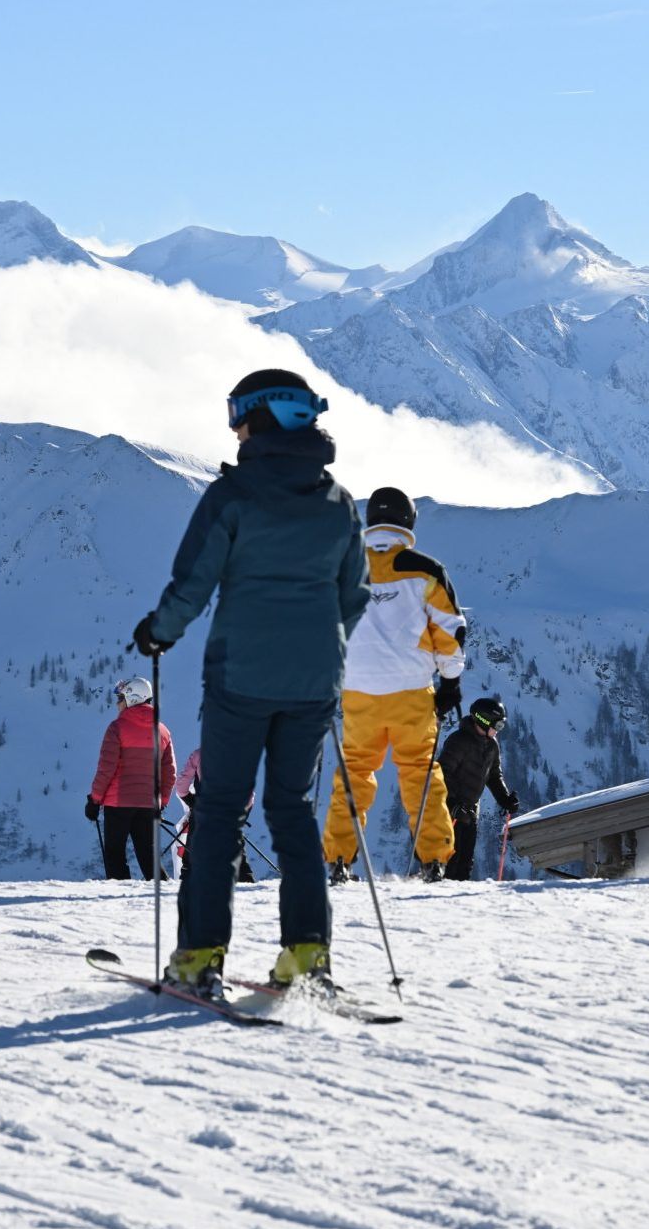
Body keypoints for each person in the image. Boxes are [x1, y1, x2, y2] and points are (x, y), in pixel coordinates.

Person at [132, 368, 369, 997]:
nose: (233, 426)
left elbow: (193, 584)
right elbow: (354, 596)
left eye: (237, 412)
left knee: (217, 813)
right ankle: (306, 956)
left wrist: (158, 631)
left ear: (263, 417)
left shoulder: (232, 497)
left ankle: (200, 955)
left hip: (241, 679)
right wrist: (321, 646)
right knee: (291, 812)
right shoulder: (339, 502)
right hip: (315, 682)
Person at [321, 487, 465, 884]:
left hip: (358, 691)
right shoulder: (425, 569)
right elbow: (450, 629)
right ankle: (434, 859)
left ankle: (338, 860)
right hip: (411, 691)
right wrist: (451, 681)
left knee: (353, 773)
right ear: (408, 522)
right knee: (420, 773)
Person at [86, 677, 176, 880]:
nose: (117, 703)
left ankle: (120, 901)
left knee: (115, 854)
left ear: (132, 699)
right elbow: (169, 771)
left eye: (120, 698)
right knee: (148, 855)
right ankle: (163, 894)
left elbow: (106, 769)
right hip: (148, 803)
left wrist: (94, 800)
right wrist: (162, 802)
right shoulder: (162, 731)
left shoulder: (117, 728)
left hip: (118, 803)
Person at [440, 697, 519, 880]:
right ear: (484, 721)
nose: (499, 731)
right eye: (497, 726)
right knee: (449, 859)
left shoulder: (491, 745)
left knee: (465, 861)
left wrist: (505, 799)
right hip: (448, 810)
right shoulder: (459, 741)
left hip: (470, 810)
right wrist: (452, 803)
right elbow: (442, 772)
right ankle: (436, 898)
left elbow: (493, 775)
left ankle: (457, 903)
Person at [173, 750, 255, 883]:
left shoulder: (199, 754)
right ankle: (247, 886)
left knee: (192, 858)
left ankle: (185, 887)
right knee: (237, 857)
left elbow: (181, 786)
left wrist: (191, 801)